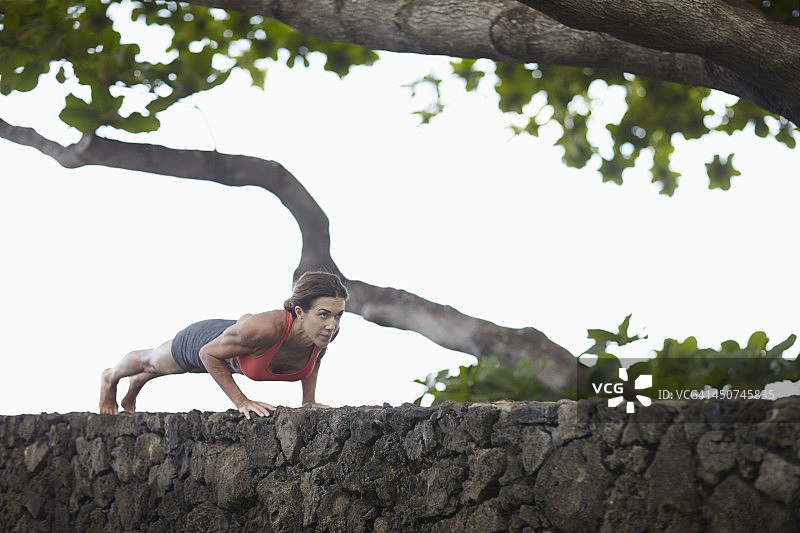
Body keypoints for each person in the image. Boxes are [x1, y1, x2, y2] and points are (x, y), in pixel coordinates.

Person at [99, 271, 348, 419]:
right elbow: (207, 353)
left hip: (234, 355)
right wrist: (242, 401)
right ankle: (111, 378)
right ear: (299, 311)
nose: (332, 325)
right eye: (324, 314)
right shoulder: (263, 328)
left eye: (338, 316)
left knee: (157, 369)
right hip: (207, 339)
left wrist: (309, 400)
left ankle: (138, 382)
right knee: (152, 361)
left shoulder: (324, 333)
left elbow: (314, 362)